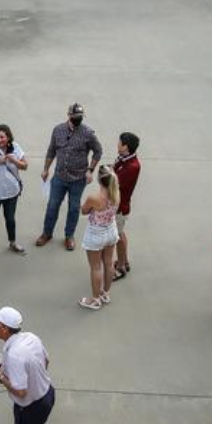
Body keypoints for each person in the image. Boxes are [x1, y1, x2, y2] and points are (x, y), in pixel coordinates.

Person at [37, 103, 103, 251]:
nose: (78, 119)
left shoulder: (88, 133)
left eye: (80, 117)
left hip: (78, 179)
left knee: (74, 208)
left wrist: (90, 170)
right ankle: (47, 233)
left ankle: (69, 236)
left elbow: (98, 151)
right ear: (69, 116)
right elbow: (51, 151)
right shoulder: (58, 130)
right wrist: (46, 169)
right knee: (52, 206)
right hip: (59, 177)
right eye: (76, 117)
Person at [0, 307, 54, 424]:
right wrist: (35, 379)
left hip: (31, 409)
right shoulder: (31, 337)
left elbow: (21, 393)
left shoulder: (14, 355)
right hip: (48, 393)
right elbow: (46, 361)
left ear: (4, 328)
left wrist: (0, 376)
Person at [0, 124, 28, 258]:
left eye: (2, 137)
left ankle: (12, 242)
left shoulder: (16, 148)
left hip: (11, 192)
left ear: (8, 137)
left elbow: (25, 166)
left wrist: (14, 160)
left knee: (10, 219)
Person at [78, 165, 120, 310]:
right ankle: (105, 294)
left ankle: (95, 299)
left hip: (96, 233)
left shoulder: (94, 197)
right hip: (111, 231)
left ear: (99, 180)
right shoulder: (116, 193)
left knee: (96, 267)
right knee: (108, 263)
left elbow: (84, 211)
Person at [112, 132, 141, 280]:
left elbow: (113, 183)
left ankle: (121, 267)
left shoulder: (132, 166)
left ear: (125, 146)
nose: (117, 144)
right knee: (121, 233)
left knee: (118, 236)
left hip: (119, 207)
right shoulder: (124, 159)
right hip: (118, 205)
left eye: (119, 142)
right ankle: (125, 260)